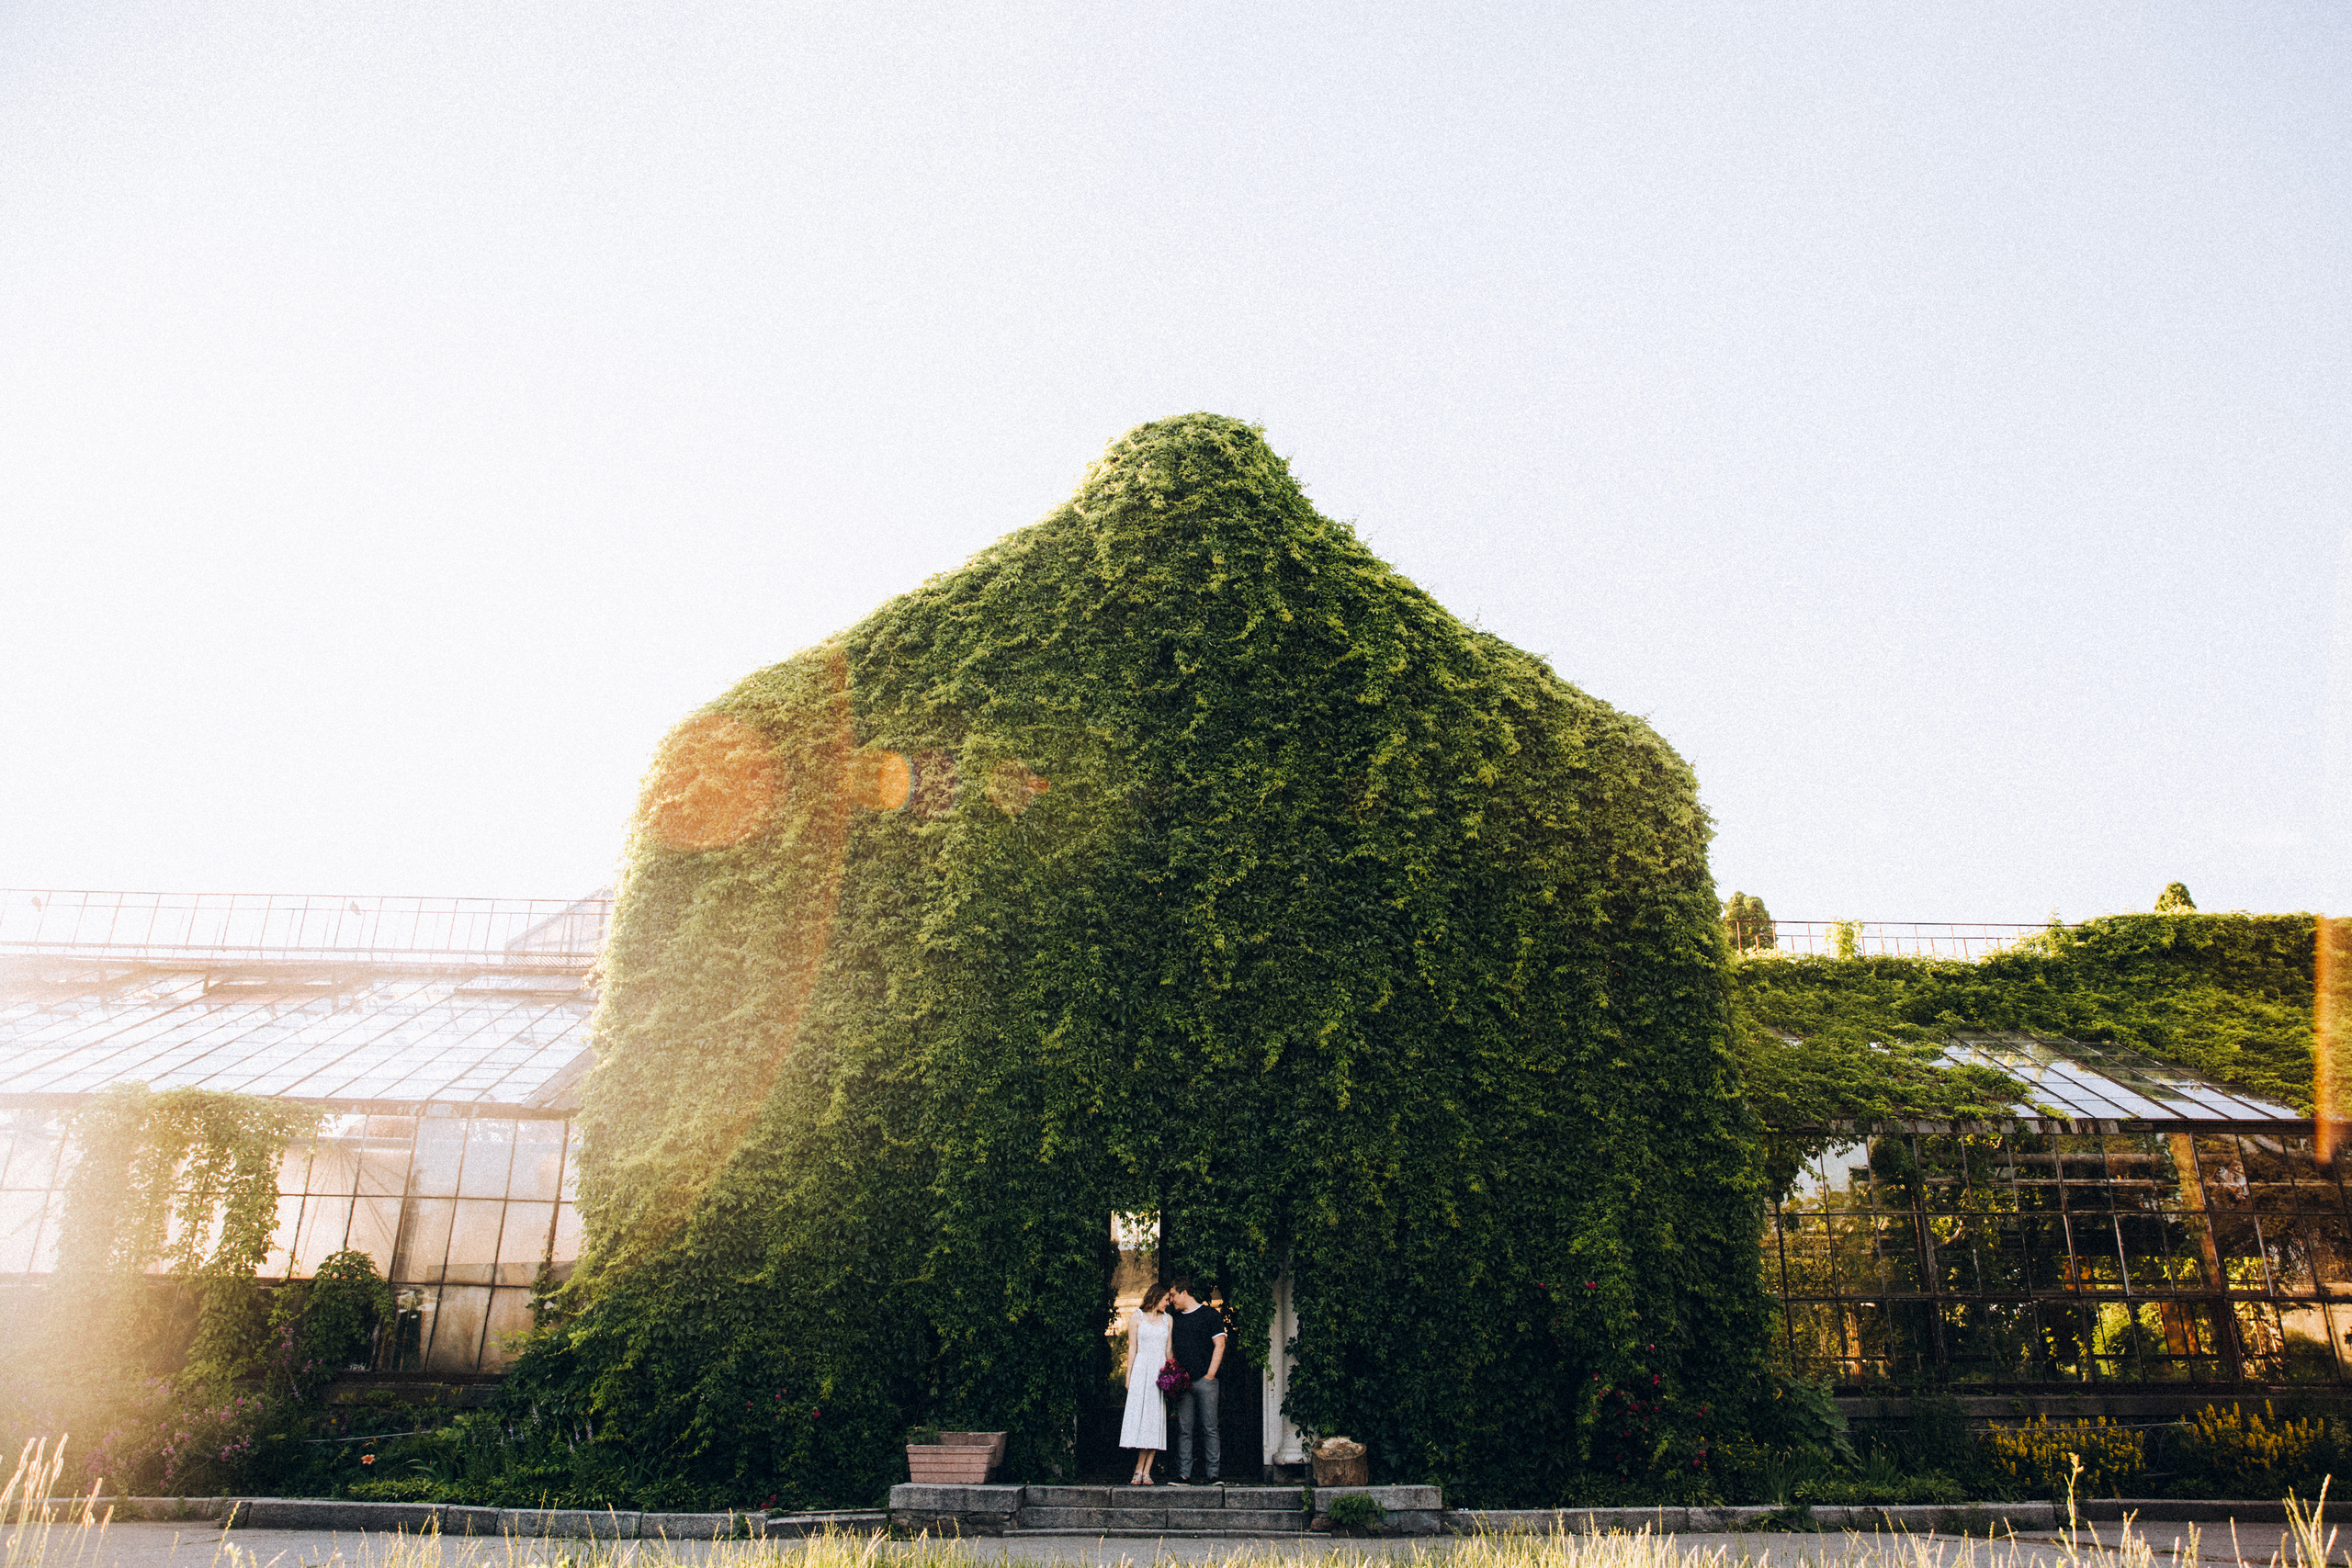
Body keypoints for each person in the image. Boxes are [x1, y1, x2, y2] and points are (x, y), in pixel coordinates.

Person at [1165, 1276, 1227, 1483]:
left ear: (1184, 1292)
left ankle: (1213, 1473)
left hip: (1206, 1381)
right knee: (1184, 1428)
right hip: (1184, 1384)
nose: (1171, 1300)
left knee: (1210, 1427)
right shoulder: (1176, 1319)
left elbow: (1220, 1344)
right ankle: (1184, 1474)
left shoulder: (1209, 1314)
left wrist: (1210, 1375)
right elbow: (1171, 1350)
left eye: (1173, 1295)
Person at [1118, 1280, 1175, 1484]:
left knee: (1155, 1421)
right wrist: (1128, 1376)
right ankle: (1139, 1470)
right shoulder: (1136, 1317)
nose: (1168, 1303)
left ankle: (1144, 1471)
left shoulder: (1168, 1320)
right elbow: (1132, 1348)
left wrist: (1173, 1374)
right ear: (1156, 1297)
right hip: (1142, 1372)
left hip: (1159, 1374)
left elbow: (1168, 1350)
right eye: (1166, 1299)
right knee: (1142, 1421)